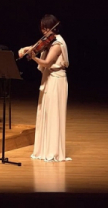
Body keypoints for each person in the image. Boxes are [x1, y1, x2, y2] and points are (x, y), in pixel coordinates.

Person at [18, 14, 71, 162]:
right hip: (48, 79)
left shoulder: (57, 43)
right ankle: (44, 148)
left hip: (56, 80)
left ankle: (53, 151)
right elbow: (39, 47)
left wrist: (33, 56)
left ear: (53, 28)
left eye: (46, 29)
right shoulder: (49, 41)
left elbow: (47, 63)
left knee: (54, 114)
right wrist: (26, 49)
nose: (44, 32)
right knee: (45, 112)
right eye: (42, 29)